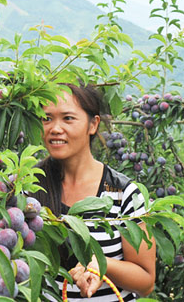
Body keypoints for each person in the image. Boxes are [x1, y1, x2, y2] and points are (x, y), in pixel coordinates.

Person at [33, 84, 156, 301]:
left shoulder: (124, 193)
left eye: (68, 118)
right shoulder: (29, 188)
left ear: (93, 124)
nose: (55, 128)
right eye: (47, 118)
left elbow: (146, 282)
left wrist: (103, 264)